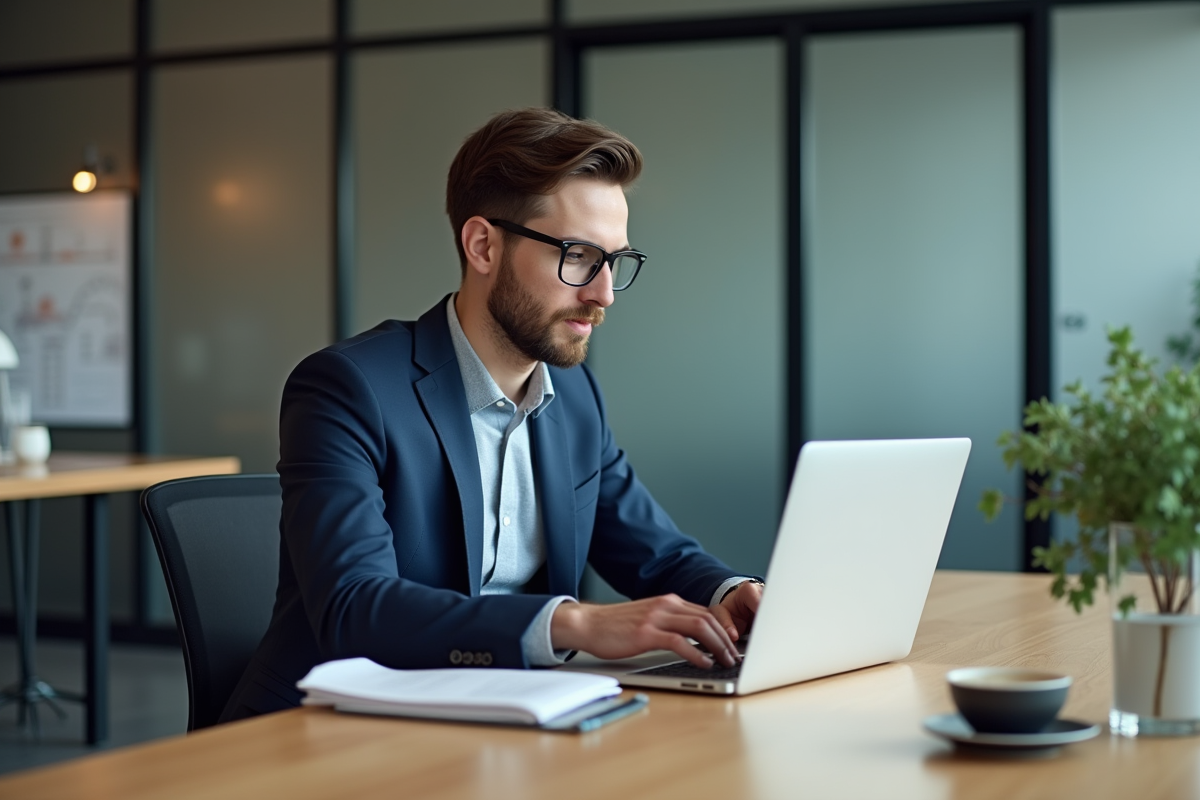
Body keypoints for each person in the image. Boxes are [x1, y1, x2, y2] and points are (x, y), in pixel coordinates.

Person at [222, 107, 763, 721]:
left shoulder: (575, 396)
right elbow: (354, 607)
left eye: (615, 261)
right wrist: (573, 623)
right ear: (483, 244)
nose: (603, 292)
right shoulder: (349, 387)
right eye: (579, 256)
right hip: (327, 735)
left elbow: (656, 553)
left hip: (503, 721)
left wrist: (732, 592)